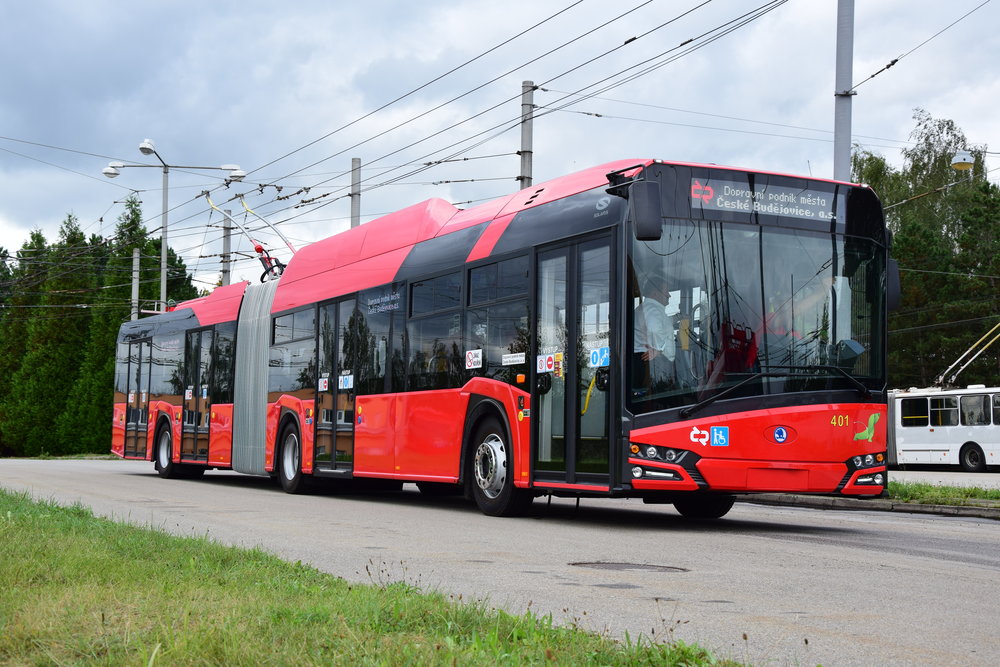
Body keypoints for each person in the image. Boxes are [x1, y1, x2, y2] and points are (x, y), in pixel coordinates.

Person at [634, 270, 676, 391]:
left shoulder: (645, 308)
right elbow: (654, 329)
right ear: (655, 293)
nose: (669, 295)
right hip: (650, 361)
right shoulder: (652, 308)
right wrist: (659, 350)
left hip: (646, 359)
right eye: (666, 291)